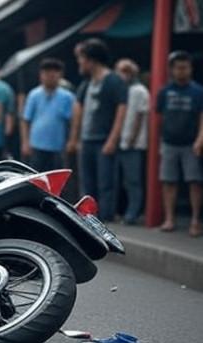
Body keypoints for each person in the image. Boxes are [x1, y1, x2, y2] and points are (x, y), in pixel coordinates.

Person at [68, 38, 128, 221]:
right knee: (87, 183)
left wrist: (113, 139)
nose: (79, 62)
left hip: (103, 139)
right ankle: (88, 218)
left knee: (106, 182)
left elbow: (121, 110)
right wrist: (75, 138)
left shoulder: (114, 81)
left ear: (92, 60)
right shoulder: (86, 84)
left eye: (82, 58)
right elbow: (78, 110)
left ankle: (106, 219)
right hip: (87, 140)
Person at [156, 50, 203, 236]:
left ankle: (195, 220)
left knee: (195, 181)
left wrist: (200, 139)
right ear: (172, 69)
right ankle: (169, 218)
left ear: (190, 69)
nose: (182, 71)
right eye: (178, 68)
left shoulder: (198, 91)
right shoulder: (164, 92)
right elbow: (158, 118)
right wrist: (159, 141)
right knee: (168, 181)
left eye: (185, 67)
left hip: (190, 143)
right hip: (169, 142)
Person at [20, 58, 75, 172]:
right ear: (41, 75)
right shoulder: (34, 95)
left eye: (54, 74)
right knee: (35, 176)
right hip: (36, 145)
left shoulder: (67, 97)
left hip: (58, 146)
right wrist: (25, 142)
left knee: (57, 177)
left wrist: (72, 140)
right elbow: (26, 120)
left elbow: (72, 121)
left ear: (60, 75)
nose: (50, 77)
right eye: (46, 73)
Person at [115, 58, 150, 225]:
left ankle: (133, 213)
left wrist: (132, 139)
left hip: (133, 144)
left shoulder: (139, 90)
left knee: (133, 181)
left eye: (125, 71)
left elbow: (139, 116)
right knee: (121, 181)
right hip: (119, 141)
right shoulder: (121, 90)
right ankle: (122, 211)